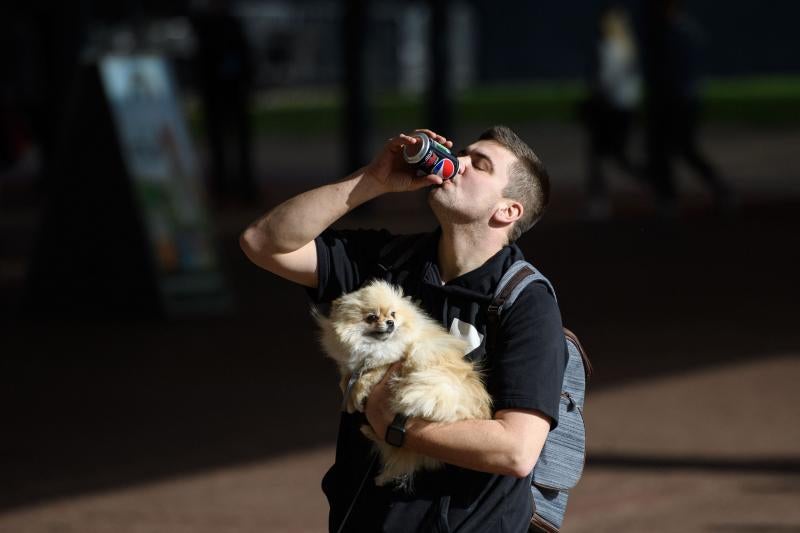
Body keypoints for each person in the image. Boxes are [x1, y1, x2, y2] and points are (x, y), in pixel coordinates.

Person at [240, 126, 567, 532]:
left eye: (479, 165)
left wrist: (395, 425)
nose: (458, 163)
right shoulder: (387, 264)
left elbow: (516, 450)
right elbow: (263, 243)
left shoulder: (525, 302)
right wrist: (371, 181)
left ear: (507, 211)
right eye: (462, 154)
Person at [582, 4, 643, 219]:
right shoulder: (628, 46)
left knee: (605, 156)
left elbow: (606, 81)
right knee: (613, 156)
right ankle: (656, 185)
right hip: (624, 108)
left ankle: (599, 202)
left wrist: (594, 99)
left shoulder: (610, 46)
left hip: (610, 109)